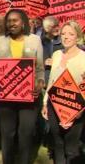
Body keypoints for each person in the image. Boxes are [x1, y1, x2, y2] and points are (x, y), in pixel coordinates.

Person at [0, 9, 44, 164]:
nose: (11, 24)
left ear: (23, 22)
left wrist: (39, 83)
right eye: (8, 21)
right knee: (7, 134)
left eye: (15, 20)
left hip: (28, 96)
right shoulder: (0, 40)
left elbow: (40, 68)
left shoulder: (35, 40)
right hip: (6, 98)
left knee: (26, 134)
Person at [42, 20, 85, 164]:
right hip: (53, 106)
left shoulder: (83, 58)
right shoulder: (56, 54)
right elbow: (51, 81)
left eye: (70, 34)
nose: (66, 37)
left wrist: (79, 111)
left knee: (71, 149)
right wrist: (45, 103)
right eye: (63, 34)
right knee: (58, 145)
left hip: (75, 108)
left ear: (77, 37)